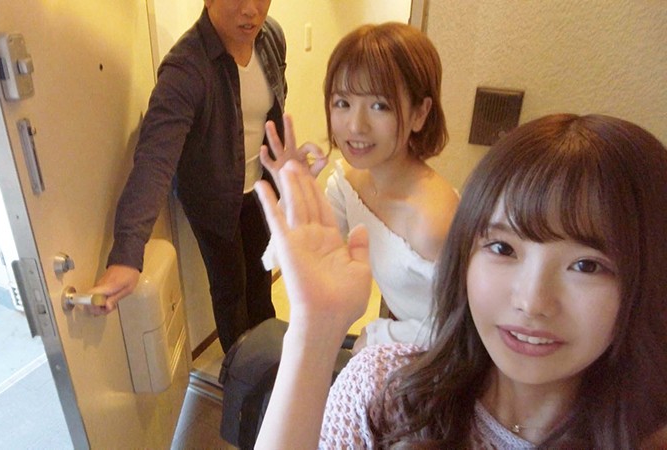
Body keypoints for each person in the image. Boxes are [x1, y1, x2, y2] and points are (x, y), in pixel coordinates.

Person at [253, 114, 667, 448]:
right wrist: (315, 331)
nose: (532, 302)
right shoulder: (383, 391)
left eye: (586, 266)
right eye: (503, 248)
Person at [89, 0, 286, 353]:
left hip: (261, 189)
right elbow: (155, 159)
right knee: (230, 291)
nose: (251, 10)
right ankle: (240, 370)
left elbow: (272, 111)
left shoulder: (271, 37)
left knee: (260, 277)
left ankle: (269, 360)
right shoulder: (186, 68)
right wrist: (127, 253)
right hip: (214, 200)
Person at [261, 22, 458, 350]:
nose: (355, 125)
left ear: (419, 113)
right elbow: (299, 256)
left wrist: (383, 334)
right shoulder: (348, 183)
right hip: (402, 348)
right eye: (342, 103)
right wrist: (297, 192)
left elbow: (472, 329)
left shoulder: (433, 220)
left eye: (380, 106)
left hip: (443, 362)